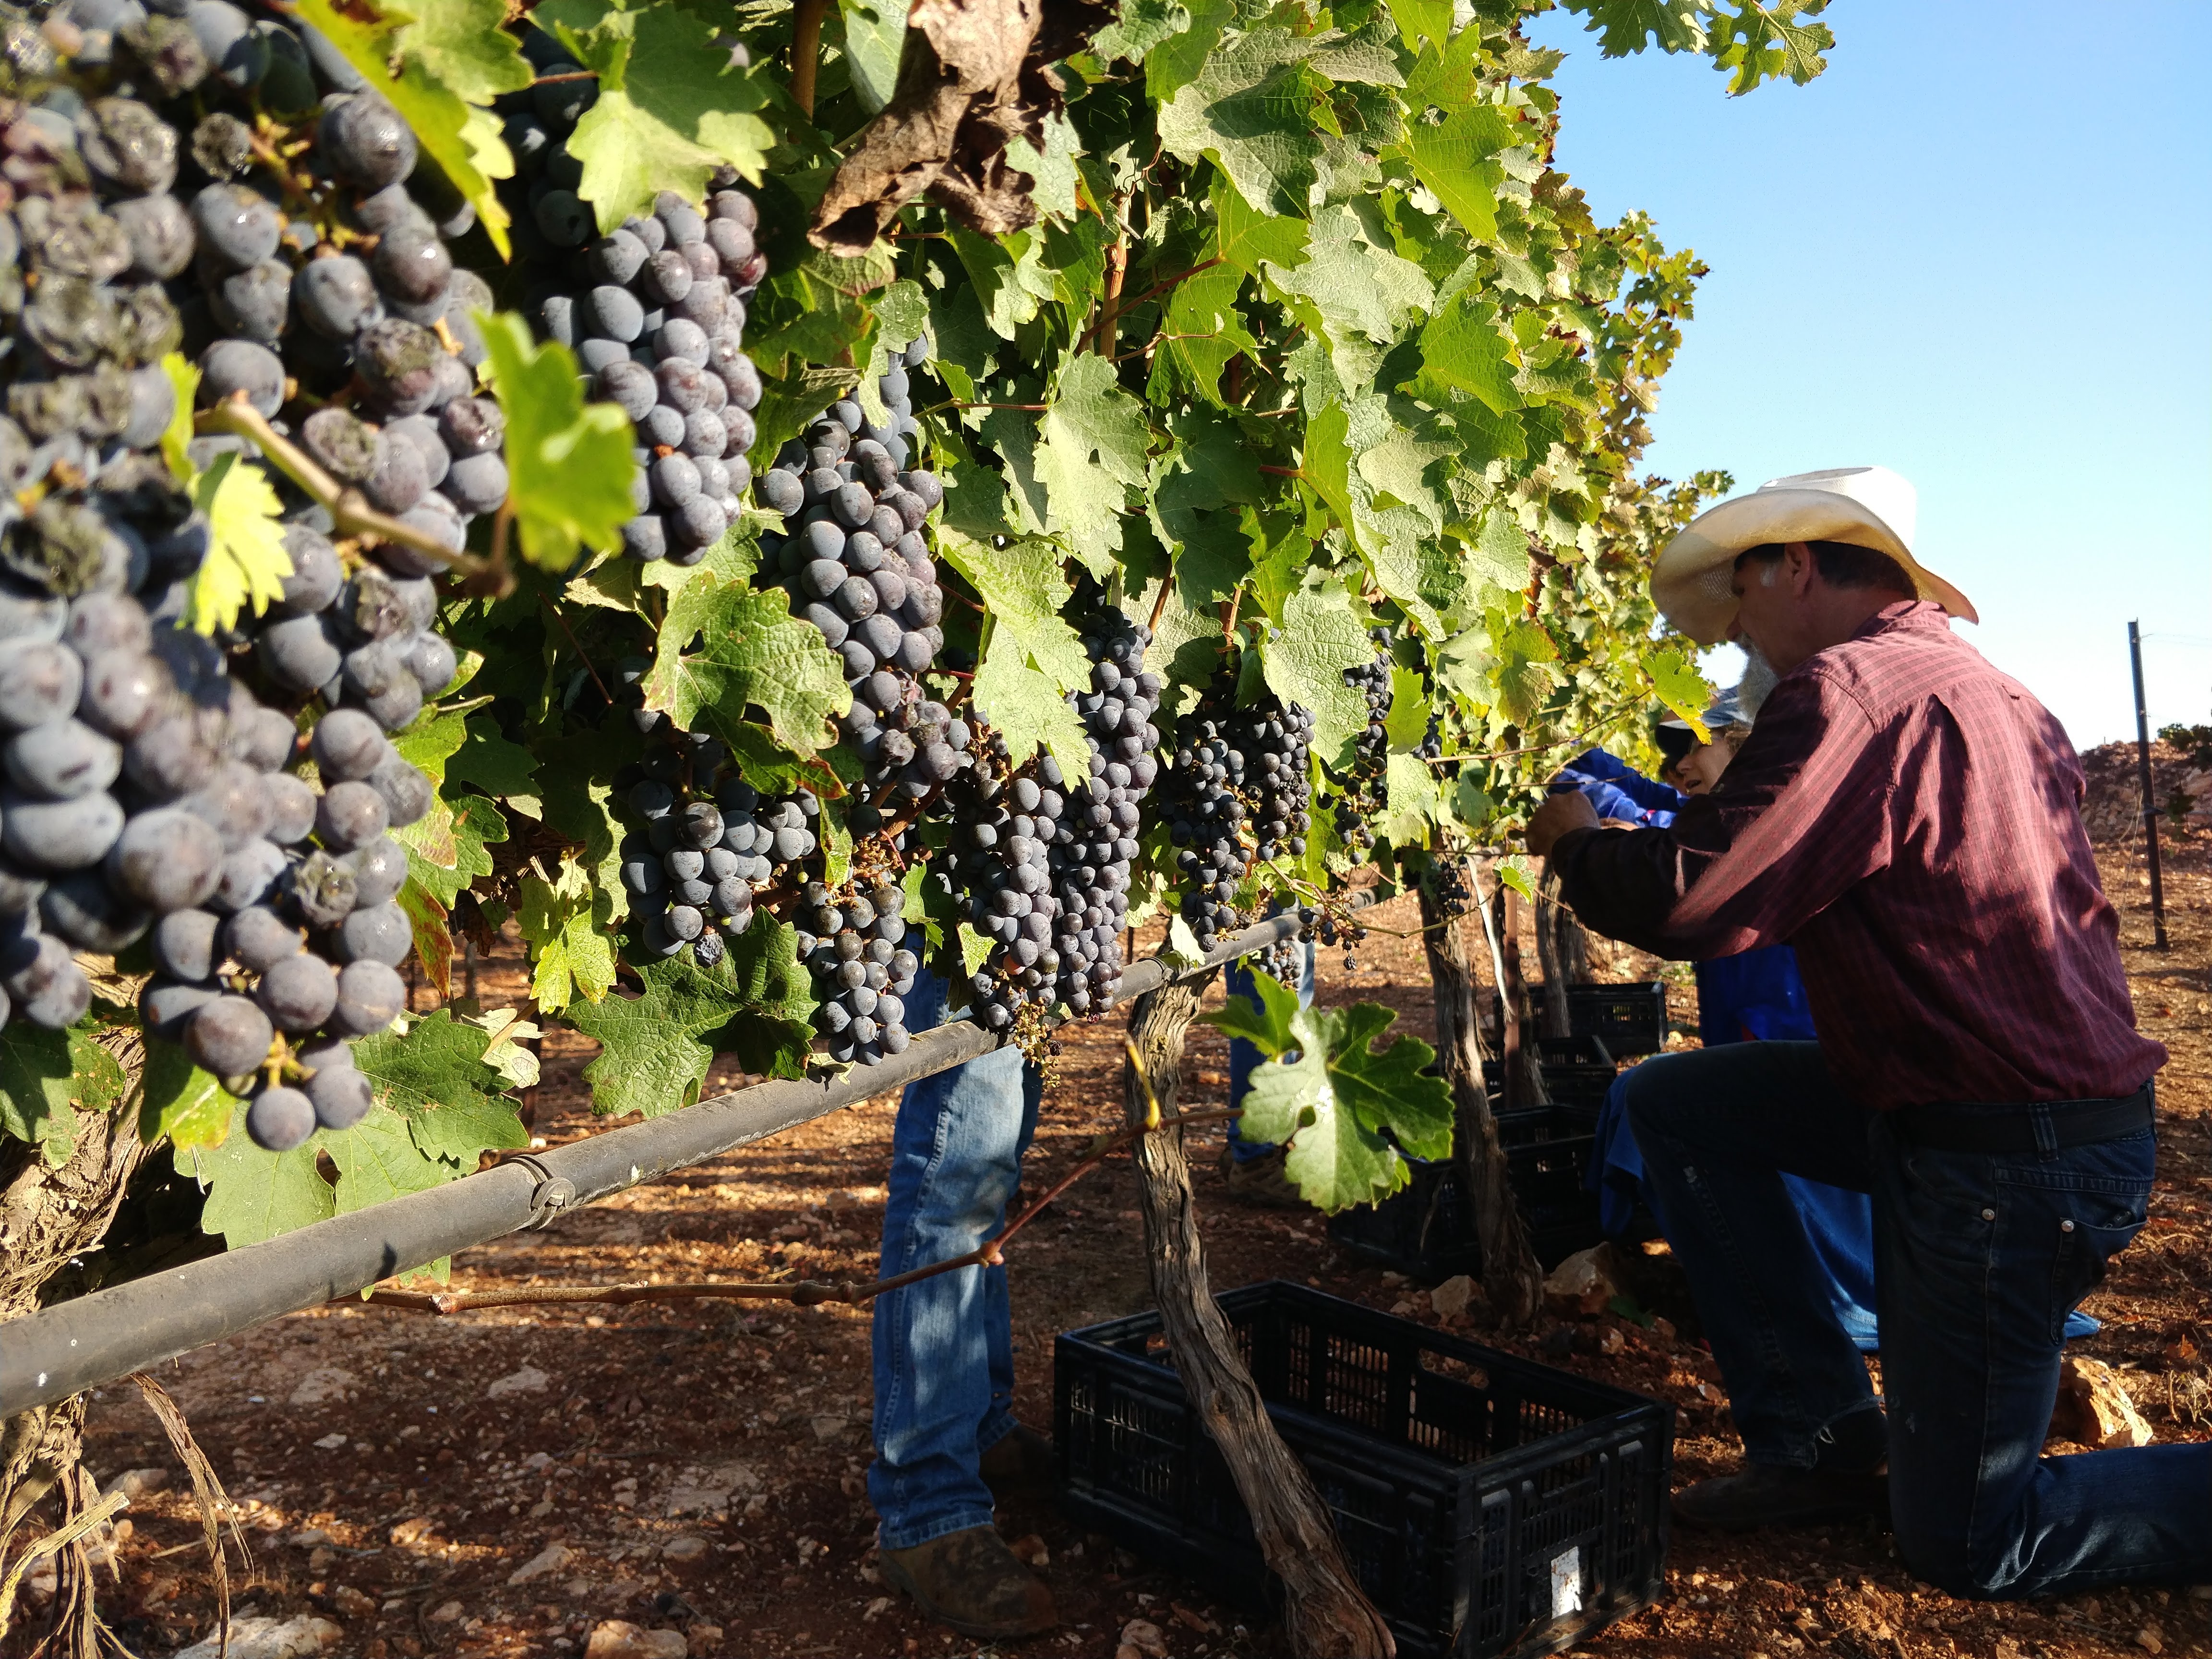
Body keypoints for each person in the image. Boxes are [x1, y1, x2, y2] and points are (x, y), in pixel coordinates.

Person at [1523, 466, 2204, 1599]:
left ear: (1795, 566)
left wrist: (1580, 842)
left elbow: (1700, 900)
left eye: (1739, 604)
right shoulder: (1988, 687)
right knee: (1674, 1107)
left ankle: (1899, 1471)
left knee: (1975, 1545)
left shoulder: (1850, 690)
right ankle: (1826, 1443)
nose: (1738, 636)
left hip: (2012, 1157)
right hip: (1976, 1110)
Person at [868, 968, 1058, 1641]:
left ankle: (975, 1422)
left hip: (1035, 884)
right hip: (971, 885)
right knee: (958, 1164)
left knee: (993, 1159)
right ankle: (927, 1509)